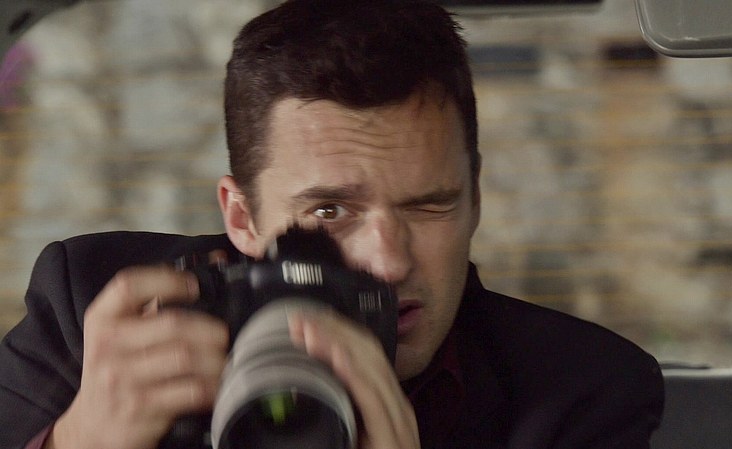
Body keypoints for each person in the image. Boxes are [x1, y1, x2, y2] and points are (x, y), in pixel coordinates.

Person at [0, 1, 664, 448]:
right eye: (328, 211)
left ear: (476, 198)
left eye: (428, 205)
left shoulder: (581, 392)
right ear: (241, 216)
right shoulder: (92, 312)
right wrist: (77, 440)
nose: (387, 261)